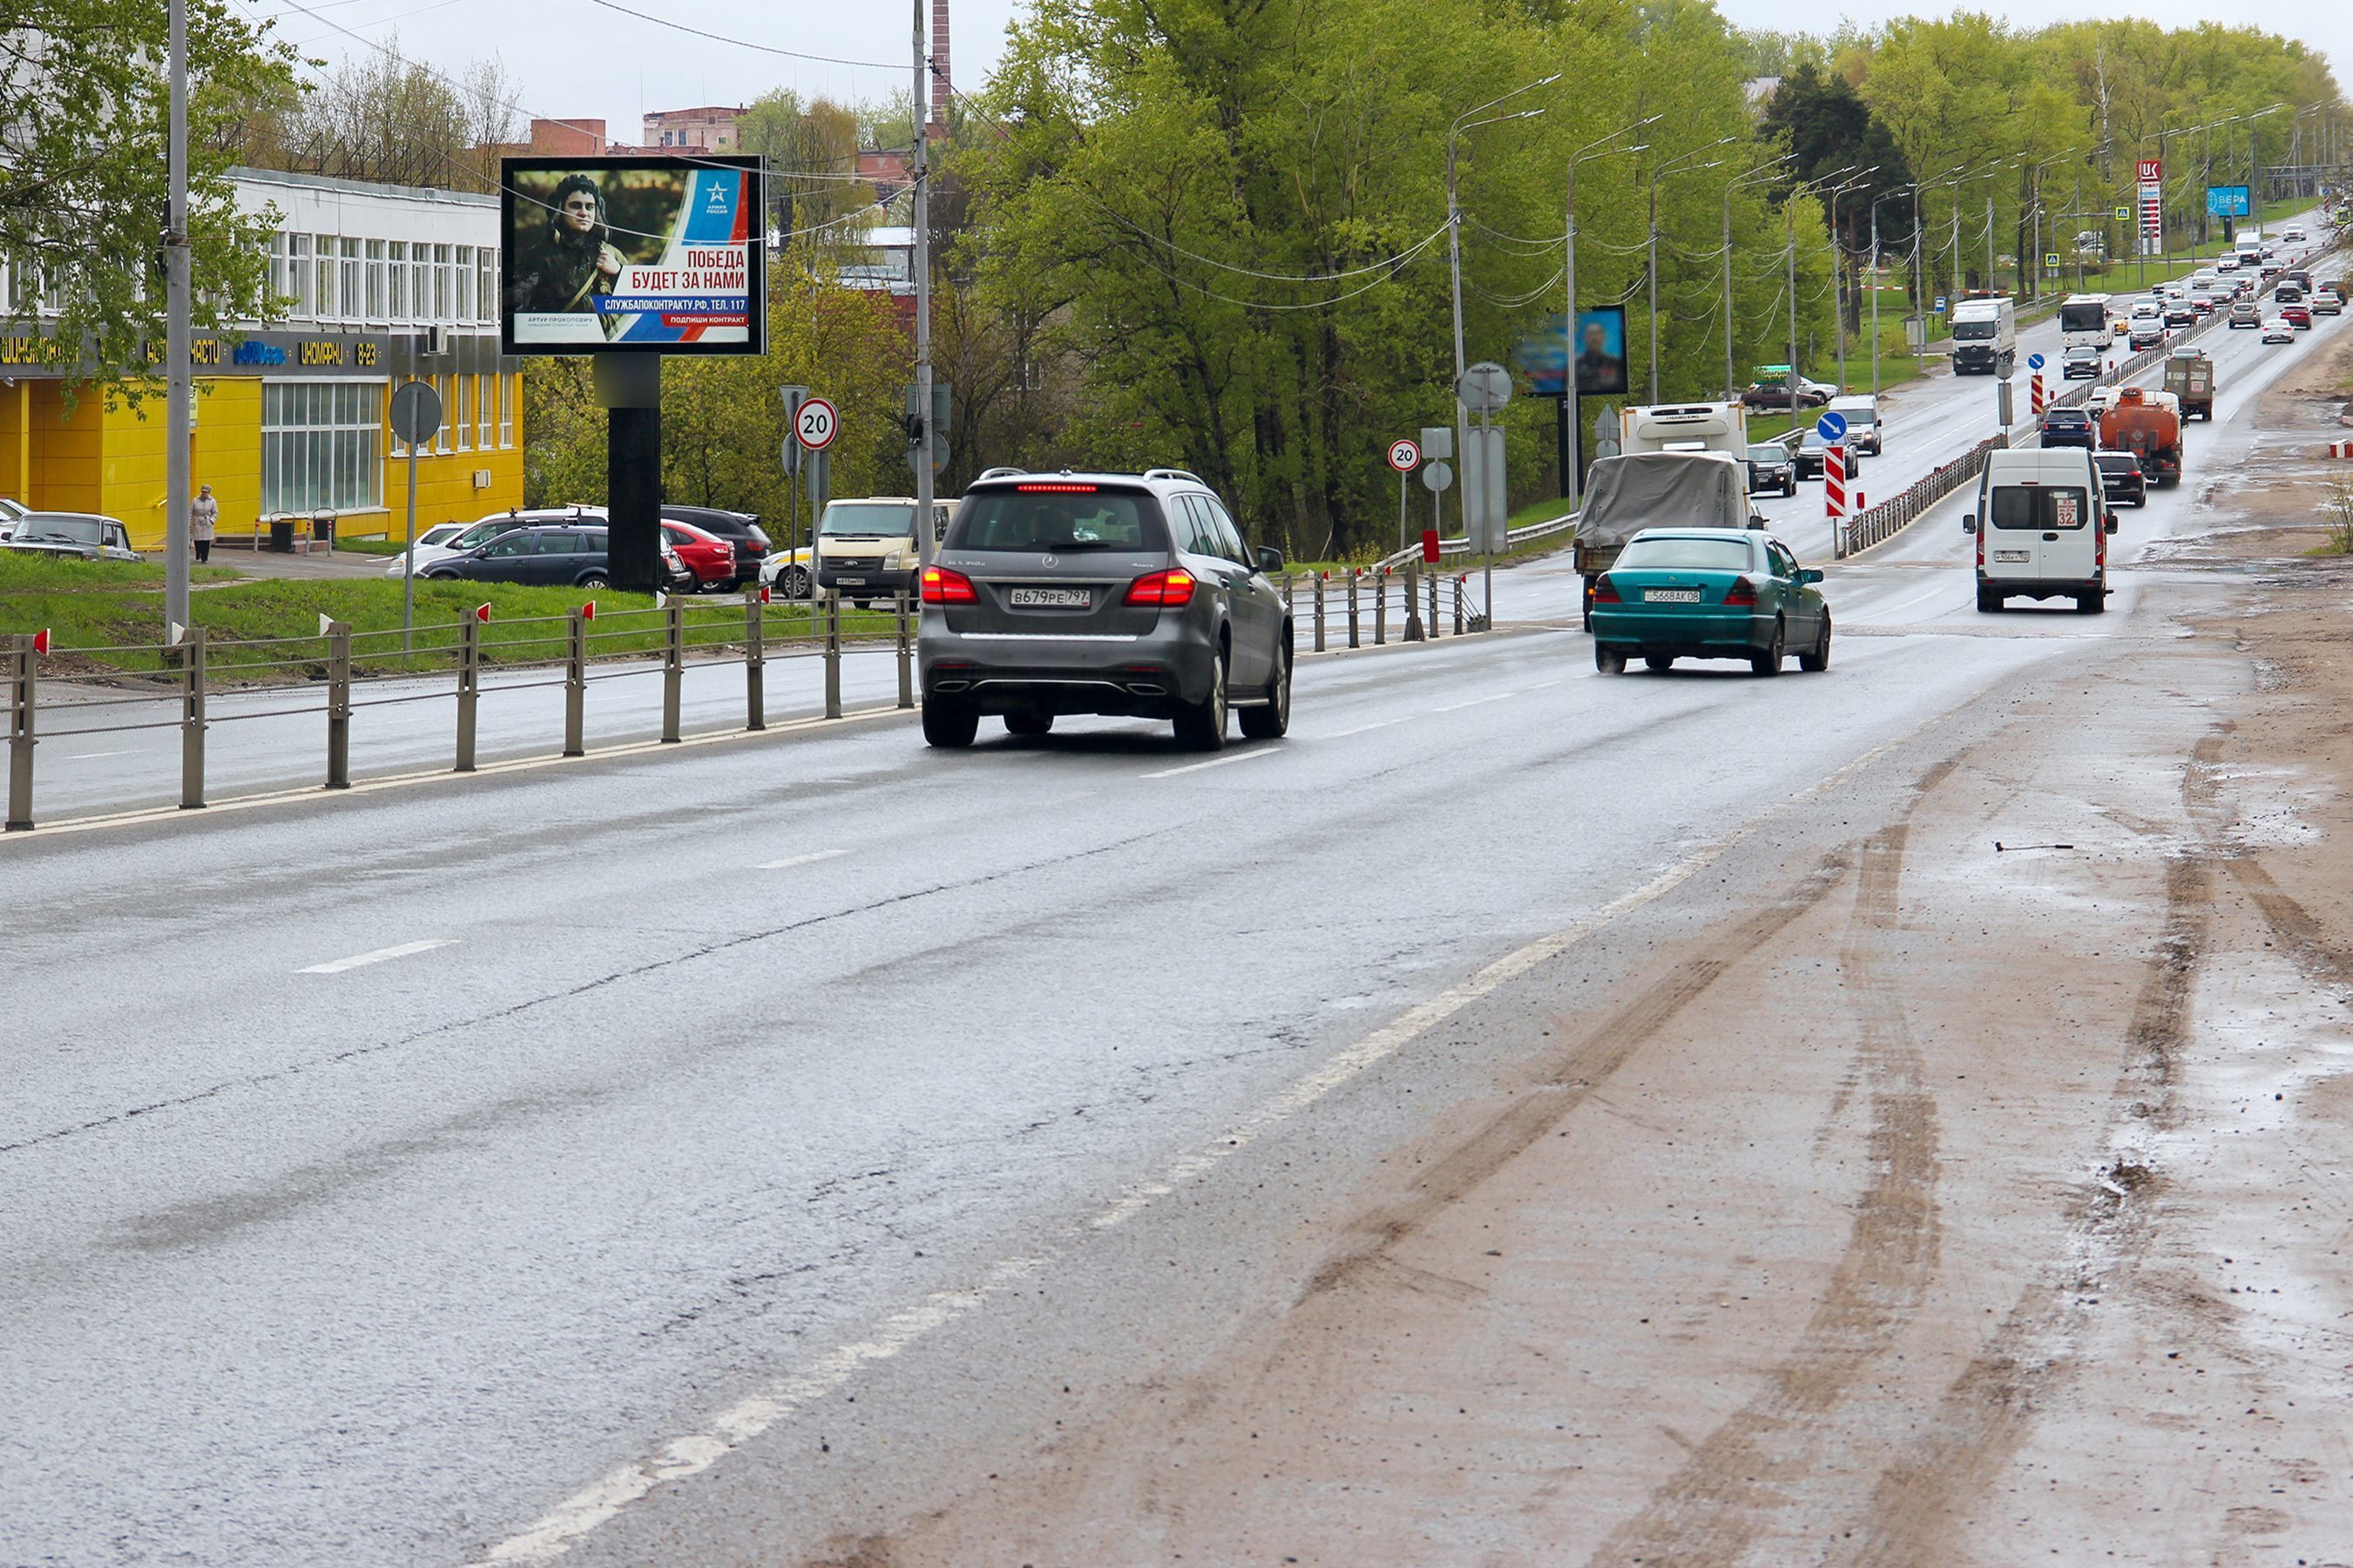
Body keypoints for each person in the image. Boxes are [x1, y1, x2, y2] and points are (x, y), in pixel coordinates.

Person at [507, 173, 626, 323]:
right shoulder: (541, 256)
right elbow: (515, 311)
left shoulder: (612, 254)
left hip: (608, 344)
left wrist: (619, 272)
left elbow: (639, 308)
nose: (584, 213)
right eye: (576, 206)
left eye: (590, 207)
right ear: (560, 209)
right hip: (560, 344)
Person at [1574, 320, 1626, 395]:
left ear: (1603, 336)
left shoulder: (1615, 363)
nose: (1594, 338)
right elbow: (1567, 391)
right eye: (1591, 334)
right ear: (1585, 338)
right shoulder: (1575, 365)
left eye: (1597, 334)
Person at [190, 483, 218, 564]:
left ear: (209, 493)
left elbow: (215, 512)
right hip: (197, 521)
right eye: (203, 492)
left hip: (207, 522)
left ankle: (204, 558)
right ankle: (198, 553)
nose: (204, 494)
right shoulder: (195, 500)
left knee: (206, 541)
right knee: (197, 540)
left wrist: (212, 520)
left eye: (206, 492)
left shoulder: (212, 501)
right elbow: (190, 512)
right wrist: (189, 522)